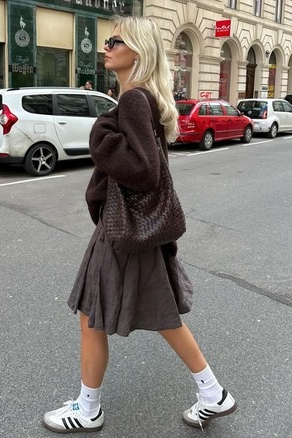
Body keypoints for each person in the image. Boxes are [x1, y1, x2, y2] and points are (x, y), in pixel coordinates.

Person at [42, 16, 237, 434]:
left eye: (116, 41)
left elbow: (144, 171)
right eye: (107, 40)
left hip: (124, 229)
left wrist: (101, 137)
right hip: (135, 227)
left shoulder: (133, 100)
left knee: (92, 312)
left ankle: (89, 408)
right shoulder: (139, 98)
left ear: (138, 51)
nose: (105, 47)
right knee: (160, 313)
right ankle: (212, 393)